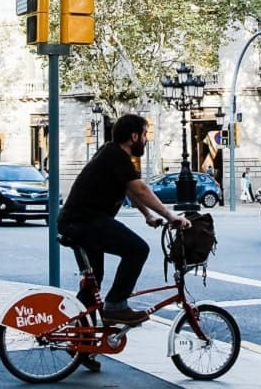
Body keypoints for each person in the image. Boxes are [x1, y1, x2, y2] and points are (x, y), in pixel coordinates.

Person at [59, 114, 191, 373]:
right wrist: (171, 216)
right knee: (137, 249)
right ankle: (116, 305)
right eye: (145, 134)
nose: (146, 138)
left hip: (79, 222)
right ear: (134, 136)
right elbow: (140, 189)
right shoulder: (116, 156)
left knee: (91, 285)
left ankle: (81, 344)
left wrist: (147, 215)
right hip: (85, 222)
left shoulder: (112, 153)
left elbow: (129, 189)